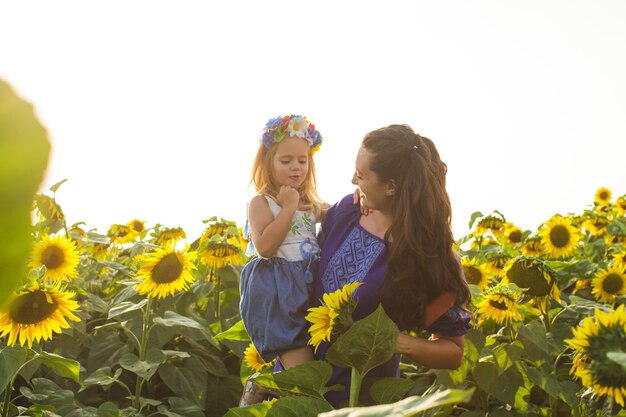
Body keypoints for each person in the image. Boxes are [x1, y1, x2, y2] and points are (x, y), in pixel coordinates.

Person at [313, 124, 472, 407]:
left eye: (361, 175)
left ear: (390, 187)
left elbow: (452, 351)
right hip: (302, 381)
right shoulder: (345, 214)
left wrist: (398, 342)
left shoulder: (426, 258)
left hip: (364, 401)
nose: (352, 180)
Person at [239, 114, 327, 406]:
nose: (296, 167)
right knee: (303, 377)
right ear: (268, 163)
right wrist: (288, 207)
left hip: (305, 291)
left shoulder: (309, 205)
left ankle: (267, 387)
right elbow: (264, 246)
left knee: (306, 371)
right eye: (286, 160)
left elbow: (336, 212)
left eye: (302, 161)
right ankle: (258, 390)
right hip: (277, 295)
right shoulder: (262, 203)